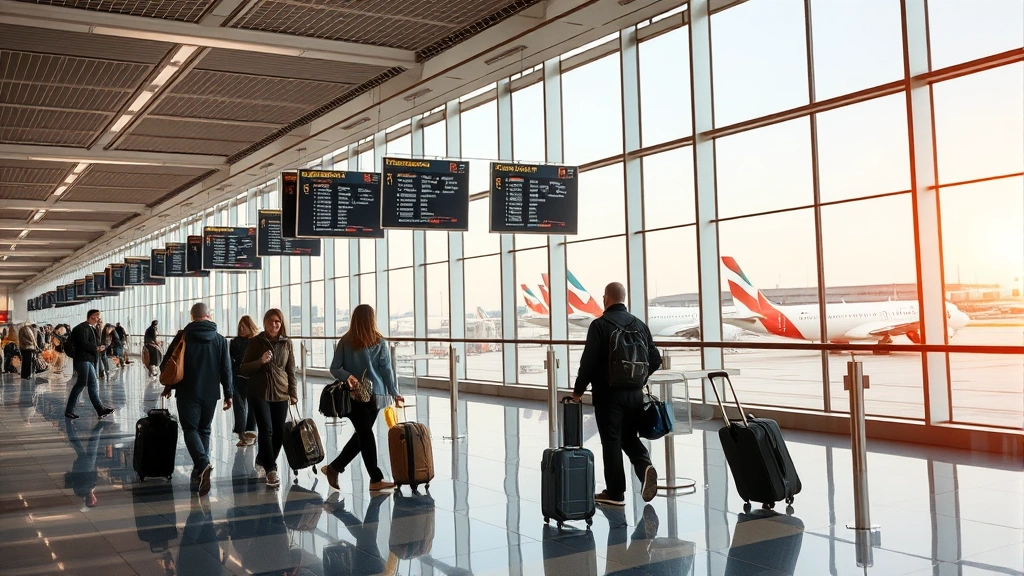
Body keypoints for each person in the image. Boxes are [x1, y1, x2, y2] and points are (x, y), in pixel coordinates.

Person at [571, 282, 662, 506]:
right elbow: (656, 359)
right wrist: (639, 380)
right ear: (624, 297)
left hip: (608, 395)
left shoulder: (599, 325)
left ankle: (615, 492)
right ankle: (644, 466)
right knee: (629, 437)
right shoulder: (640, 325)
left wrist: (578, 391)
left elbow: (588, 363)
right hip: (635, 394)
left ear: (606, 299)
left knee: (611, 441)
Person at [320, 304, 402, 494]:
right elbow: (387, 371)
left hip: (354, 395)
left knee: (362, 435)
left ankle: (334, 468)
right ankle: (375, 479)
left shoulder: (346, 341)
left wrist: (348, 377)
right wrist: (394, 392)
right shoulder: (379, 341)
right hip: (375, 395)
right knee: (365, 434)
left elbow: (335, 368)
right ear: (372, 319)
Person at [160, 303, 233, 497]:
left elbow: (169, 363)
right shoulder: (220, 340)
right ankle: (199, 469)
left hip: (187, 391)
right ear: (209, 315)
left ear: (192, 316)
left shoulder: (183, 336)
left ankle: (203, 463)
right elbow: (226, 369)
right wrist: (229, 394)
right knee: (204, 429)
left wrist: (169, 386)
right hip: (211, 393)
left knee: (191, 430)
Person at [239, 309, 297, 489]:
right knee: (266, 430)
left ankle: (263, 459)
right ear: (264, 323)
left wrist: (293, 393)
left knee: (279, 433)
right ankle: (271, 470)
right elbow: (244, 369)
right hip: (259, 392)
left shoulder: (287, 343)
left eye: (277, 321)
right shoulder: (256, 342)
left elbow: (291, 370)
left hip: (281, 392)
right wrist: (260, 361)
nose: (274, 324)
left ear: (281, 323)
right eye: (271, 321)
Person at [65, 309, 115, 419]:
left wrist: (100, 329)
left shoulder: (91, 328)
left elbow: (94, 341)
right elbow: (83, 343)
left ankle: (100, 410)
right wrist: (96, 348)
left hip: (88, 360)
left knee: (92, 384)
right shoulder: (81, 328)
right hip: (82, 360)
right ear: (92, 316)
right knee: (81, 384)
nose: (99, 319)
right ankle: (69, 410)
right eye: (98, 317)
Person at [229, 316, 259, 448]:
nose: (241, 328)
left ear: (250, 327)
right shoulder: (235, 342)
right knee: (239, 406)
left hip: (253, 377)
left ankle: (251, 433)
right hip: (238, 376)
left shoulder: (257, 341)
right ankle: (241, 433)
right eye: (239, 326)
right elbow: (231, 360)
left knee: (253, 406)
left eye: (244, 326)